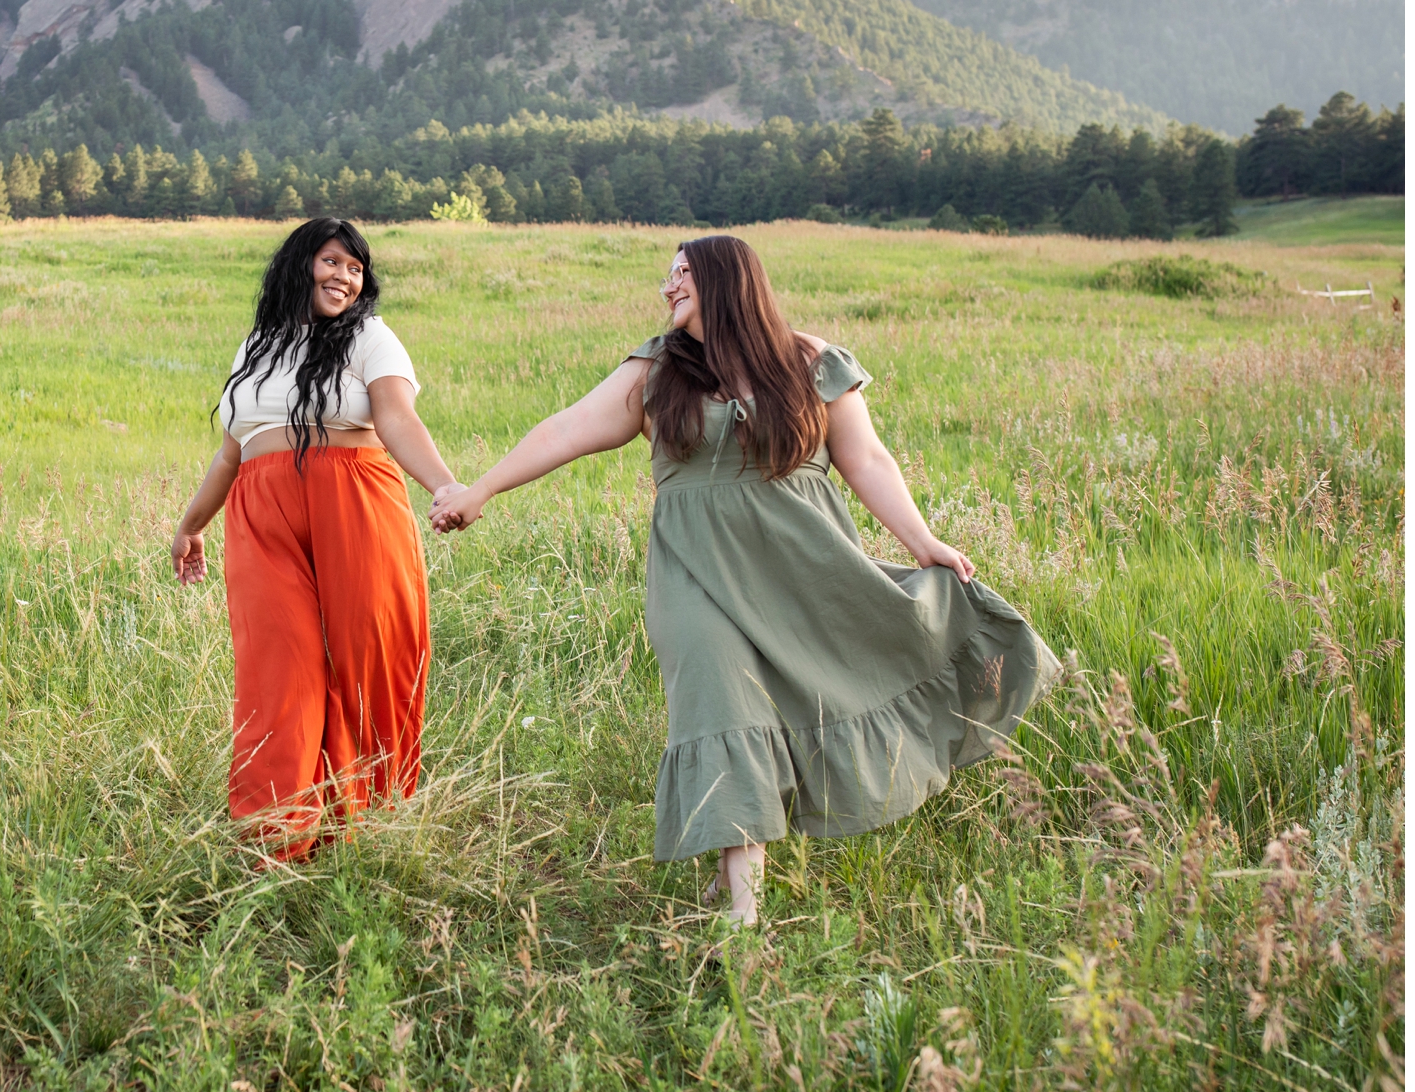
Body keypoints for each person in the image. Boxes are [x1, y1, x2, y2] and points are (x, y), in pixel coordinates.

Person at [430, 233, 1052, 923]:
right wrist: (480, 489)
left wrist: (924, 540)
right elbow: (566, 428)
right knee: (721, 707)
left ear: (729, 279)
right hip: (695, 571)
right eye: (666, 275)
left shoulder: (811, 361)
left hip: (803, 567)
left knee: (811, 690)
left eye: (683, 273)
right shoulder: (657, 369)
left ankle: (733, 880)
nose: (668, 286)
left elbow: (868, 460)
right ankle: (744, 912)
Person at [172, 218, 463, 862]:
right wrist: (191, 524)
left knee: (371, 657)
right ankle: (274, 836)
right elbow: (230, 453)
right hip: (260, 513)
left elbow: (395, 416)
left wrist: (445, 486)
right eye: (332, 261)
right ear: (299, 264)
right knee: (278, 666)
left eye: (356, 268)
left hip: (356, 501)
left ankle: (370, 819)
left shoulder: (369, 336)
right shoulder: (257, 346)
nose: (345, 277)